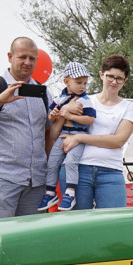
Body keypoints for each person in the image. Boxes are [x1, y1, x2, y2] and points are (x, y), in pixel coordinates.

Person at [0, 37, 56, 219]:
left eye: (32, 58)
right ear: (10, 57)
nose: (27, 63)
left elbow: (47, 132)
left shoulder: (43, 92)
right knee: (1, 234)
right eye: (22, 57)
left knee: (29, 238)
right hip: (4, 176)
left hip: (36, 179)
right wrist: (0, 100)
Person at [58, 54, 133, 209]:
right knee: (77, 225)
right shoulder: (84, 100)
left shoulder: (129, 107)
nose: (114, 82)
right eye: (110, 76)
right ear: (101, 75)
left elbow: (118, 141)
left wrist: (80, 137)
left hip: (111, 171)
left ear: (125, 81)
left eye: (119, 78)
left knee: (112, 224)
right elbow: (62, 123)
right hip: (78, 169)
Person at [39, 62, 97, 212]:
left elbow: (90, 119)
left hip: (79, 135)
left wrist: (70, 115)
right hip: (63, 135)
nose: (82, 86)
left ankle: (70, 193)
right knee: (52, 162)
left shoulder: (85, 100)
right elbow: (51, 116)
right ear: (66, 81)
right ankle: (50, 192)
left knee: (71, 162)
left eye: (85, 83)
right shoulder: (60, 99)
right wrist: (53, 116)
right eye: (78, 83)